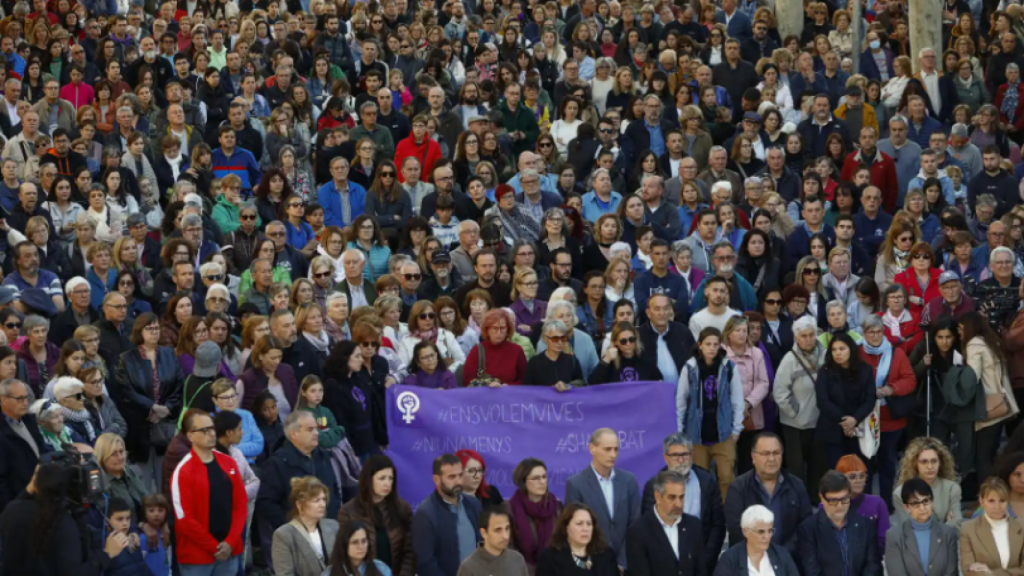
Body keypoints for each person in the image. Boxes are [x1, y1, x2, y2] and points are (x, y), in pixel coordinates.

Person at [0, 461, 130, 574]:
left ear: (35, 484)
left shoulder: (12, 510)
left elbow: (18, 502)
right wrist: (106, 554)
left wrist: (33, 484)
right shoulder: (63, 524)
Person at [170, 409, 248, 576]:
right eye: (204, 430)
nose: (211, 433)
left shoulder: (229, 463)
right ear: (190, 435)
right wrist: (214, 547)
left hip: (229, 552)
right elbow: (185, 519)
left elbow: (240, 505)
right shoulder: (183, 471)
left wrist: (230, 541)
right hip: (197, 559)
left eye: (212, 428)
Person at [257, 411, 342, 563]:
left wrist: (332, 521)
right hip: (296, 540)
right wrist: (293, 527)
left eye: (316, 428)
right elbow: (266, 503)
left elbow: (334, 490)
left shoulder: (323, 456)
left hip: (327, 534)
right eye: (310, 429)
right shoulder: (277, 463)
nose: (316, 433)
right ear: (294, 434)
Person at [112, 312, 185, 490]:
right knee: (142, 482)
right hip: (140, 425)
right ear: (140, 331)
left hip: (165, 425)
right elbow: (125, 390)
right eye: (149, 328)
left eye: (156, 328)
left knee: (165, 479)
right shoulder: (127, 358)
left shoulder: (169, 354)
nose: (154, 332)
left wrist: (166, 409)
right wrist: (151, 407)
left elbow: (179, 385)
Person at [677, 321, 744, 494]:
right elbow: (681, 401)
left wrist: (736, 430)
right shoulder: (690, 368)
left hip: (723, 433)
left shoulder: (728, 368)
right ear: (700, 345)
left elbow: (737, 400)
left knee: (727, 478)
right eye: (708, 344)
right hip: (696, 434)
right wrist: (680, 431)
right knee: (700, 480)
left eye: (716, 344)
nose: (712, 348)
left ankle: (727, 517)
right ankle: (705, 515)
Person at [564, 427, 641, 567]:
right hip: (593, 564)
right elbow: (576, 529)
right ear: (592, 448)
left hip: (627, 562)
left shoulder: (629, 481)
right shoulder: (576, 484)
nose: (613, 454)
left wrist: (622, 562)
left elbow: (635, 523)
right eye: (607, 449)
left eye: (616, 449)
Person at [725, 432, 812, 556]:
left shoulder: (797, 486)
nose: (772, 459)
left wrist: (781, 555)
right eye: (765, 453)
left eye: (776, 453)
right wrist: (762, 554)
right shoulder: (738, 488)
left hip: (789, 561)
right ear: (753, 457)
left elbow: (805, 526)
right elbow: (736, 530)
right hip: (749, 561)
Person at [962, 311, 1020, 485]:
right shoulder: (991, 342)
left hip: (987, 408)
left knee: (983, 458)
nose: (960, 332)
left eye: (961, 328)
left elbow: (972, 378)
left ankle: (985, 498)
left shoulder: (974, 344)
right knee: (990, 455)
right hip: (1001, 404)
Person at [338, 454, 415, 576]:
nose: (387, 483)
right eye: (382, 478)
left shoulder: (402, 508)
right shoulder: (348, 511)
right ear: (369, 479)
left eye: (391, 478)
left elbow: (409, 550)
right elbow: (345, 553)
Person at [796, 471, 883, 576]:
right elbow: (811, 571)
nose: (839, 506)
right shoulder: (808, 529)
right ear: (822, 498)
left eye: (844, 499)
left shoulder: (865, 525)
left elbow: (873, 565)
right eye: (833, 501)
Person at [412, 453, 483, 576]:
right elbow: (426, 563)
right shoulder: (426, 514)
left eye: (460, 475)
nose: (458, 481)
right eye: (451, 477)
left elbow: (483, 542)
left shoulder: (473, 504)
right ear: (436, 479)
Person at [625, 469, 704, 576]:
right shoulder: (638, 532)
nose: (678, 504)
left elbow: (701, 570)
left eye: (681, 497)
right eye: (672, 497)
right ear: (658, 497)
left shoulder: (694, 526)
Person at [817, 331, 876, 468]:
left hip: (859, 429)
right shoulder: (825, 371)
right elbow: (822, 401)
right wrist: (846, 421)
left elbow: (870, 399)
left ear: (851, 349)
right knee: (835, 475)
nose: (837, 353)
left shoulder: (865, 370)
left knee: (858, 471)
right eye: (834, 349)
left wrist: (855, 419)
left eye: (842, 349)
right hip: (832, 431)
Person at [885, 477, 960, 576]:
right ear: (907, 507)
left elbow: (951, 572)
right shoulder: (894, 536)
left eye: (926, 501)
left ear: (932, 501)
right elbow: (896, 573)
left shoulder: (948, 533)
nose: (922, 508)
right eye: (916, 503)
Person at [270, 476, 340, 576]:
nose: (322, 504)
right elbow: (285, 574)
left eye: (324, 499)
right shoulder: (283, 535)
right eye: (316, 500)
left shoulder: (334, 526)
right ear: (299, 504)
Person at [0, 378, 47, 512]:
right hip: (20, 504)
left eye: (26, 398)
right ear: (3, 399)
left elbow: (41, 452)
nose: (25, 403)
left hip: (42, 496)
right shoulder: (2, 433)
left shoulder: (30, 421)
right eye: (19, 399)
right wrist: (11, 509)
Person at [892, 437, 962, 526]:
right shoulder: (900, 493)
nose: (930, 466)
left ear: (940, 463)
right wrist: (946, 526)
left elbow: (957, 525)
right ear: (915, 464)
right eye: (924, 462)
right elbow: (909, 529)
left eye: (934, 461)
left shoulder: (952, 488)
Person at [714, 504, 801, 576]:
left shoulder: (782, 554)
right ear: (746, 532)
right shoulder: (730, 559)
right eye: (761, 531)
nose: (767, 536)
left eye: (770, 531)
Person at [960, 478, 1024, 574]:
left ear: (1008, 501)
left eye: (1002, 501)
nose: (997, 507)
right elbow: (969, 571)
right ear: (981, 501)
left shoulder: (1021, 526)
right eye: (991, 501)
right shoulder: (968, 529)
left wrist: (991, 573)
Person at [456, 504, 529, 576]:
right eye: (498, 530)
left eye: (507, 528)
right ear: (484, 533)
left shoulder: (517, 559)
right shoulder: (469, 568)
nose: (505, 536)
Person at [523, 319, 586, 388]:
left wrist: (568, 386)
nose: (560, 342)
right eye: (555, 339)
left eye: (563, 338)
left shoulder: (572, 360)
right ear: (545, 338)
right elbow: (527, 389)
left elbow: (581, 383)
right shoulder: (534, 363)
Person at [327, 519, 395, 576]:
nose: (361, 546)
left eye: (364, 541)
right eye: (355, 542)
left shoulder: (381, 569)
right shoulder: (329, 573)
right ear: (344, 545)